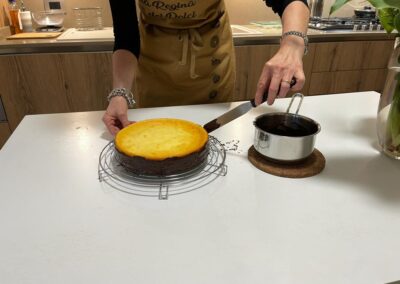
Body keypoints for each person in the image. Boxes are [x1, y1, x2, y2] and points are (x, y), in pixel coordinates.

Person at [103, 0, 310, 135]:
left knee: (214, 138)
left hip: (211, 61)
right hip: (155, 69)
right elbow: (126, 36)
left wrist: (293, 44)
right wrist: (119, 93)